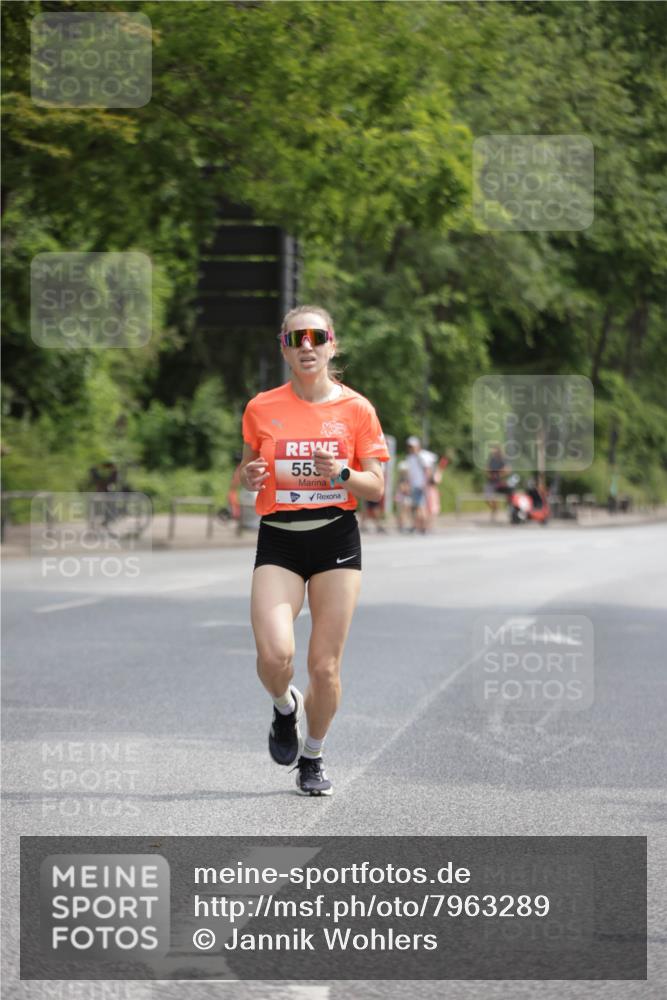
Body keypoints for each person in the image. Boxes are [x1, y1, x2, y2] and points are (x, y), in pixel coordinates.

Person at [240, 305, 389, 796]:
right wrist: (250, 476)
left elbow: (376, 486)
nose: (306, 346)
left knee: (324, 666)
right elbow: (246, 471)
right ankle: (286, 707)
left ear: (331, 344)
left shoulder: (356, 409)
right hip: (280, 535)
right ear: (283, 346)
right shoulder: (261, 407)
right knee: (274, 655)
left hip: (335, 538)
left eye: (316, 337)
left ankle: (313, 756)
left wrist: (341, 474)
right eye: (295, 338)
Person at [484, 444, 510, 520]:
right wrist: (488, 473)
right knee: (487, 498)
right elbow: (487, 468)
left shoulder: (502, 459)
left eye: (494, 450)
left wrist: (500, 474)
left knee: (496, 497)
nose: (493, 452)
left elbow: (507, 469)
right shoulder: (491, 459)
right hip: (491, 481)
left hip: (499, 481)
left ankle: (496, 510)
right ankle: (494, 509)